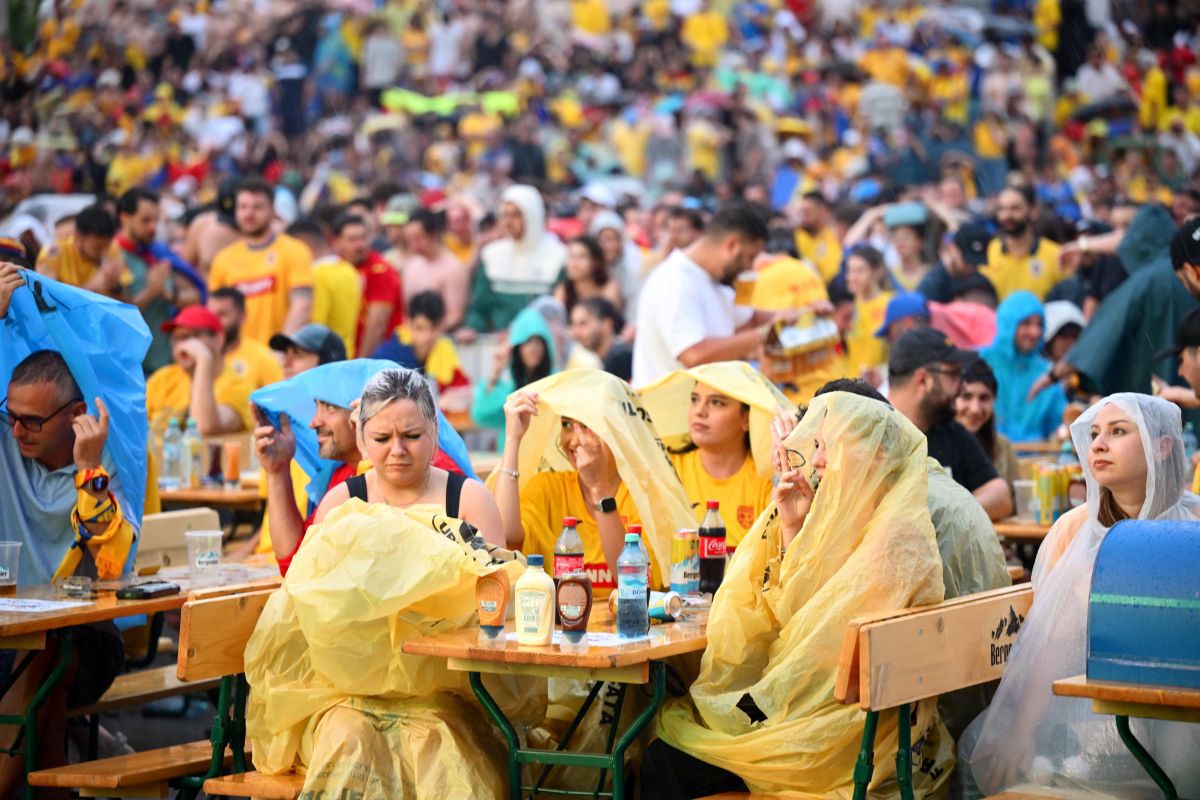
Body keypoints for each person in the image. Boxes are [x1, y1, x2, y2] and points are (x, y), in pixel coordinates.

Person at [646, 391, 950, 799]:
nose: (818, 460)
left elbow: (811, 653)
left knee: (666, 753)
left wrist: (748, 708)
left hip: (833, 744)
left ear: (876, 455)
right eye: (819, 446)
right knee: (681, 736)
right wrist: (792, 528)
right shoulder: (872, 520)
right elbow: (807, 624)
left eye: (829, 446)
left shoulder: (892, 542)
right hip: (840, 728)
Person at [959, 394, 1200, 798]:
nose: (1098, 445)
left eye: (1118, 431)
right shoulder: (1073, 531)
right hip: (1093, 710)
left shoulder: (1194, 525)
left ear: (1162, 446)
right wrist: (1022, 730)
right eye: (1093, 435)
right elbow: (1050, 643)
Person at [0, 342, 133, 796]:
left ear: (77, 414)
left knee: (44, 656)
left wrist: (88, 471)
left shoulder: (105, 461)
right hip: (7, 632)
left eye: (32, 420)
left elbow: (112, 564)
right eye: (10, 414)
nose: (16, 430)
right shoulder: (7, 440)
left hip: (85, 637)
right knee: (46, 701)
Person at [494, 369, 694, 596]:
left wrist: (599, 488)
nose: (575, 439)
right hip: (564, 627)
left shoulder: (645, 492)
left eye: (588, 426)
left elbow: (634, 583)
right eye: (567, 425)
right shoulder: (548, 487)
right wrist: (513, 439)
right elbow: (503, 539)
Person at [309, 368, 504, 537]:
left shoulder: (470, 501)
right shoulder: (338, 505)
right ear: (362, 436)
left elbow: (495, 579)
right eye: (382, 438)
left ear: (435, 430)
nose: (397, 451)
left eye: (411, 436)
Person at [632, 202, 790, 386]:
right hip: (671, 411)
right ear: (732, 245)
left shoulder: (713, 280)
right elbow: (694, 355)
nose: (750, 267)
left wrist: (801, 315)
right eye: (750, 257)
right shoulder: (675, 281)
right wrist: (766, 334)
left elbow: (749, 320)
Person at [639, 361, 790, 551]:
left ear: (746, 419)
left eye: (716, 403)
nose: (699, 411)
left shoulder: (766, 478)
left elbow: (774, 555)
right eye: (695, 399)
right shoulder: (667, 468)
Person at [887, 328, 1014, 520]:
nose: (962, 385)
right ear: (923, 380)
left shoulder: (952, 432)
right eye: (954, 375)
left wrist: (946, 515)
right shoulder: (874, 432)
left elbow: (1000, 496)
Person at [208, 178, 314, 344]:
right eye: (243, 207)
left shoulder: (295, 250)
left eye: (257, 207)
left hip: (279, 357)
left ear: (272, 211)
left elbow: (302, 305)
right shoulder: (223, 259)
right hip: (237, 359)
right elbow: (216, 313)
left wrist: (281, 348)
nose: (249, 213)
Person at [459, 185, 567, 340]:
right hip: (498, 346)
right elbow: (479, 306)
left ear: (533, 215)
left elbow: (555, 313)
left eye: (516, 215)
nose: (508, 222)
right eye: (505, 215)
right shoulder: (491, 255)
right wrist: (472, 327)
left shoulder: (558, 255)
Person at [146, 306, 254, 435]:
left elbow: (203, 428)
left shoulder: (238, 386)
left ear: (218, 340)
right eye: (176, 338)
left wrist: (203, 360)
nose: (181, 345)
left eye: (189, 336)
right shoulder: (162, 379)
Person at [981, 291, 1068, 442]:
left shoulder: (1047, 373)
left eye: (1039, 324)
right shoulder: (981, 362)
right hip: (984, 455)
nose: (1035, 332)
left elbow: (1058, 424)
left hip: (1036, 459)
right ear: (1008, 324)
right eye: (1026, 323)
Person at [471, 305, 556, 449]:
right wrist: (496, 370)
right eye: (528, 341)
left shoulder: (556, 384)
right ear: (517, 348)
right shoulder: (511, 391)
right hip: (512, 460)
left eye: (538, 341)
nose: (534, 347)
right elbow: (480, 415)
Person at [370, 291, 471, 403]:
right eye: (420, 328)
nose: (427, 336)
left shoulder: (444, 350)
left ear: (443, 324)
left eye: (434, 328)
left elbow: (463, 389)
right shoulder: (388, 356)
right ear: (408, 324)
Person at [286, 217, 362, 358]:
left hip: (324, 361)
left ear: (303, 244)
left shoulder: (316, 276)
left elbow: (314, 329)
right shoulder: (349, 269)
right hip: (347, 355)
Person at [331, 214, 404, 358]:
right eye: (352, 239)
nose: (361, 244)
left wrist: (360, 362)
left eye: (363, 237)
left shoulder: (379, 270)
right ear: (336, 242)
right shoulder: (335, 268)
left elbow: (377, 323)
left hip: (380, 357)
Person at [982, 185, 1067, 301]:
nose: (1007, 215)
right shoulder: (991, 249)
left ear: (1032, 211)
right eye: (1002, 209)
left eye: (1015, 208)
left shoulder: (1055, 254)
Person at [398, 209, 470, 330]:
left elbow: (454, 316)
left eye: (418, 238)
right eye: (409, 240)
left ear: (434, 234)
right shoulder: (411, 265)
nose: (414, 245)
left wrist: (426, 334)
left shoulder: (454, 268)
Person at [956, 357, 1021, 487]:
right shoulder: (935, 445)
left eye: (984, 398)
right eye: (966, 396)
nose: (975, 409)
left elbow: (1015, 501)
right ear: (950, 398)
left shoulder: (1002, 447)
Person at [34, 204, 122, 296]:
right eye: (97, 248)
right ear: (78, 237)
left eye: (107, 246)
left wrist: (116, 287)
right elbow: (44, 298)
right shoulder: (55, 253)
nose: (103, 252)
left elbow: (129, 302)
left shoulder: (113, 249)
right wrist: (91, 287)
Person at [208, 288, 284, 390]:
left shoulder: (262, 358)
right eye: (210, 316)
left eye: (222, 314)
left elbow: (279, 398)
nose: (215, 322)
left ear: (242, 316)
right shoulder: (199, 355)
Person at [844, 245, 894, 381]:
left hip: (879, 384)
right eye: (850, 270)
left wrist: (883, 372)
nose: (852, 277)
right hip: (850, 383)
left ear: (877, 271)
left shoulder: (890, 303)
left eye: (860, 271)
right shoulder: (847, 307)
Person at [916, 222, 992, 304]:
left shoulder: (980, 281)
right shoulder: (933, 284)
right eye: (967, 260)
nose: (971, 267)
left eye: (977, 263)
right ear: (953, 249)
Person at [554, 235, 623, 315]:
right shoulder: (563, 291)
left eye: (581, 257)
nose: (574, 264)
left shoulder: (609, 289)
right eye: (571, 256)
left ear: (595, 262)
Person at [568, 297, 632, 381]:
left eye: (583, 324)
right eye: (573, 324)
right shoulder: (607, 359)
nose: (575, 332)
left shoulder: (621, 357)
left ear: (606, 325)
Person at [793, 190, 843, 283]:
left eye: (807, 212)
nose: (802, 217)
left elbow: (831, 274)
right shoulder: (795, 236)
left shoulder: (834, 238)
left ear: (823, 212)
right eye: (800, 212)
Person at [269, 324, 347, 380]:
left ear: (327, 362)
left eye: (298, 354)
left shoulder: (350, 402)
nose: (285, 363)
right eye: (285, 354)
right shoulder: (274, 400)